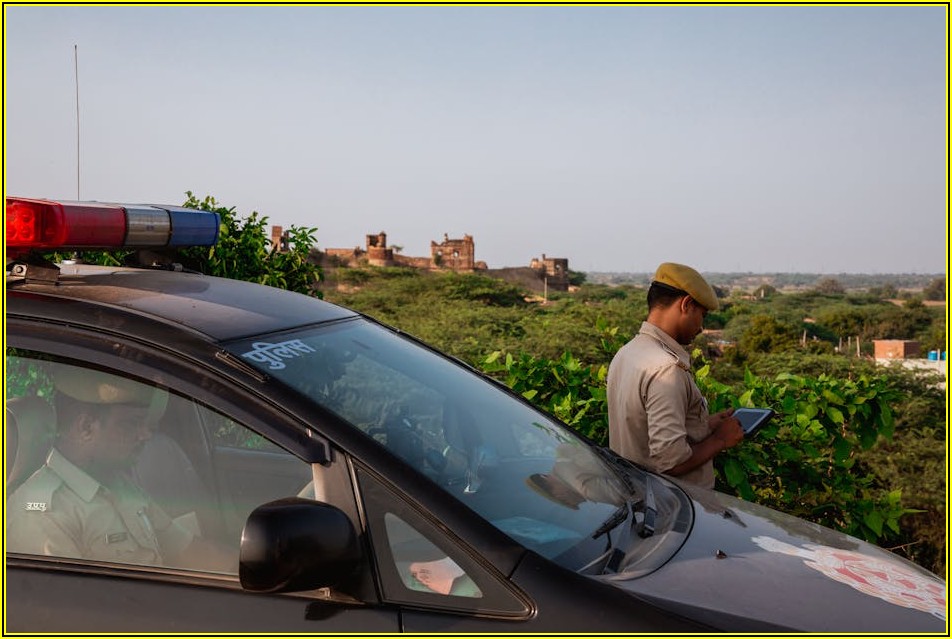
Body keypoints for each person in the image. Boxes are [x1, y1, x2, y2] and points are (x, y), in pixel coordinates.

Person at [6, 366, 232, 572]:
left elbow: (190, 551)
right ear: (86, 428)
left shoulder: (120, 485)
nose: (146, 434)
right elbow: (72, 610)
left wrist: (252, 570)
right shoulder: (42, 514)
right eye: (132, 423)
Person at [607, 262, 744, 489]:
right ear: (687, 304)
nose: (701, 327)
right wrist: (720, 440)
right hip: (672, 509)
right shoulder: (667, 368)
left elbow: (642, 429)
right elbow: (671, 461)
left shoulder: (627, 352)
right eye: (703, 315)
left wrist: (705, 426)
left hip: (635, 494)